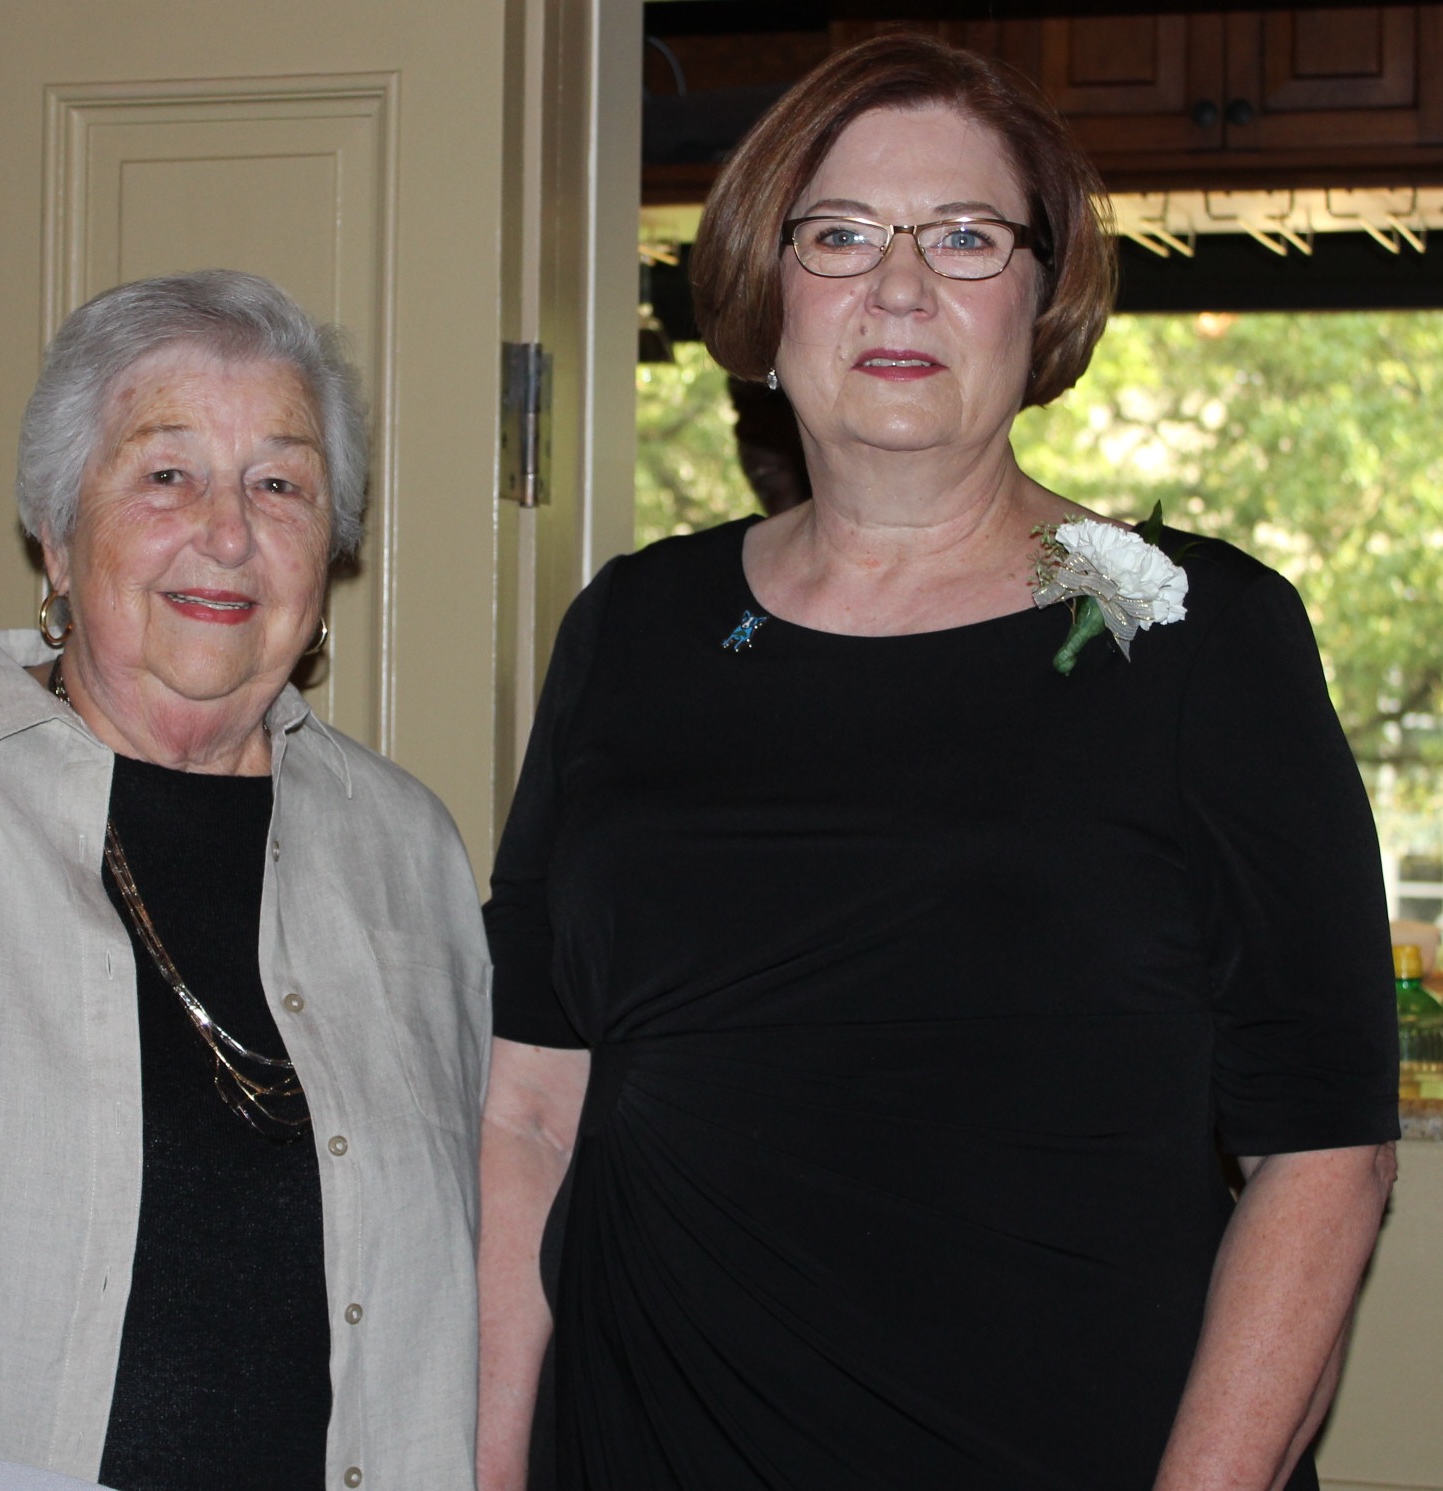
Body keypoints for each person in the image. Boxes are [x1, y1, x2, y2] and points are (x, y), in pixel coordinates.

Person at [478, 32, 1397, 1491]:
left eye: (965, 237)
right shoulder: (635, 625)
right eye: (839, 236)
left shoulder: (1192, 631)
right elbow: (531, 1104)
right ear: (763, 287)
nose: (898, 288)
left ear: (1043, 295)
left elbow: (1325, 1154)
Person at [0, 271, 490, 1491]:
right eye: (166, 474)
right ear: (57, 534)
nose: (227, 533)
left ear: (330, 552)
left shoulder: (407, 850)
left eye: (280, 485)